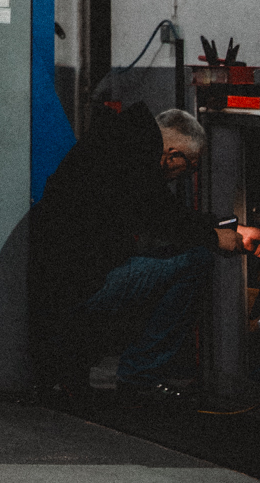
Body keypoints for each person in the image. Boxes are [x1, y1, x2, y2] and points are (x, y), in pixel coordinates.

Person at [29, 103, 260, 402]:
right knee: (196, 261)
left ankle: (87, 368)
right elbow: (162, 215)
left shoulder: (122, 143)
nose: (186, 176)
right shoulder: (133, 157)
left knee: (176, 253)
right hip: (78, 288)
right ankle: (140, 376)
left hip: (64, 282)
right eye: (190, 166)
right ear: (173, 155)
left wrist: (231, 228)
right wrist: (214, 237)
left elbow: (165, 214)